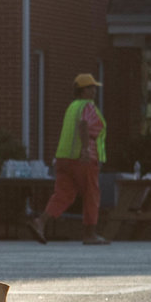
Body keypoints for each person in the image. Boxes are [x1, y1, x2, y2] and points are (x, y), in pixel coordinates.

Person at [27, 74, 108, 245]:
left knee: (63, 194)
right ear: (82, 90)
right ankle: (90, 234)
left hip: (63, 158)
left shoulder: (72, 106)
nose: (94, 91)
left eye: (94, 87)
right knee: (91, 193)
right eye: (90, 88)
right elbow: (84, 125)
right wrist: (86, 149)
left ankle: (40, 222)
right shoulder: (87, 106)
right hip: (83, 158)